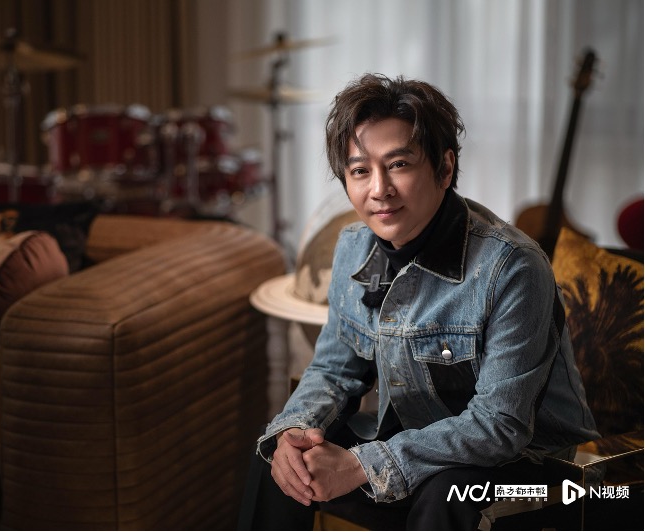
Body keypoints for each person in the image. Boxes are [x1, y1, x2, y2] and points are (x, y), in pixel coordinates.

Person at [238, 74, 599, 530]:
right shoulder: (353, 246)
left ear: (445, 168)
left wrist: (362, 465)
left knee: (448, 492)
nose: (379, 189)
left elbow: (500, 426)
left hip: (535, 471)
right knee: (284, 466)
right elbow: (333, 369)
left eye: (399, 164)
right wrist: (295, 430)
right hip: (415, 449)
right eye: (360, 170)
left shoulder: (512, 267)